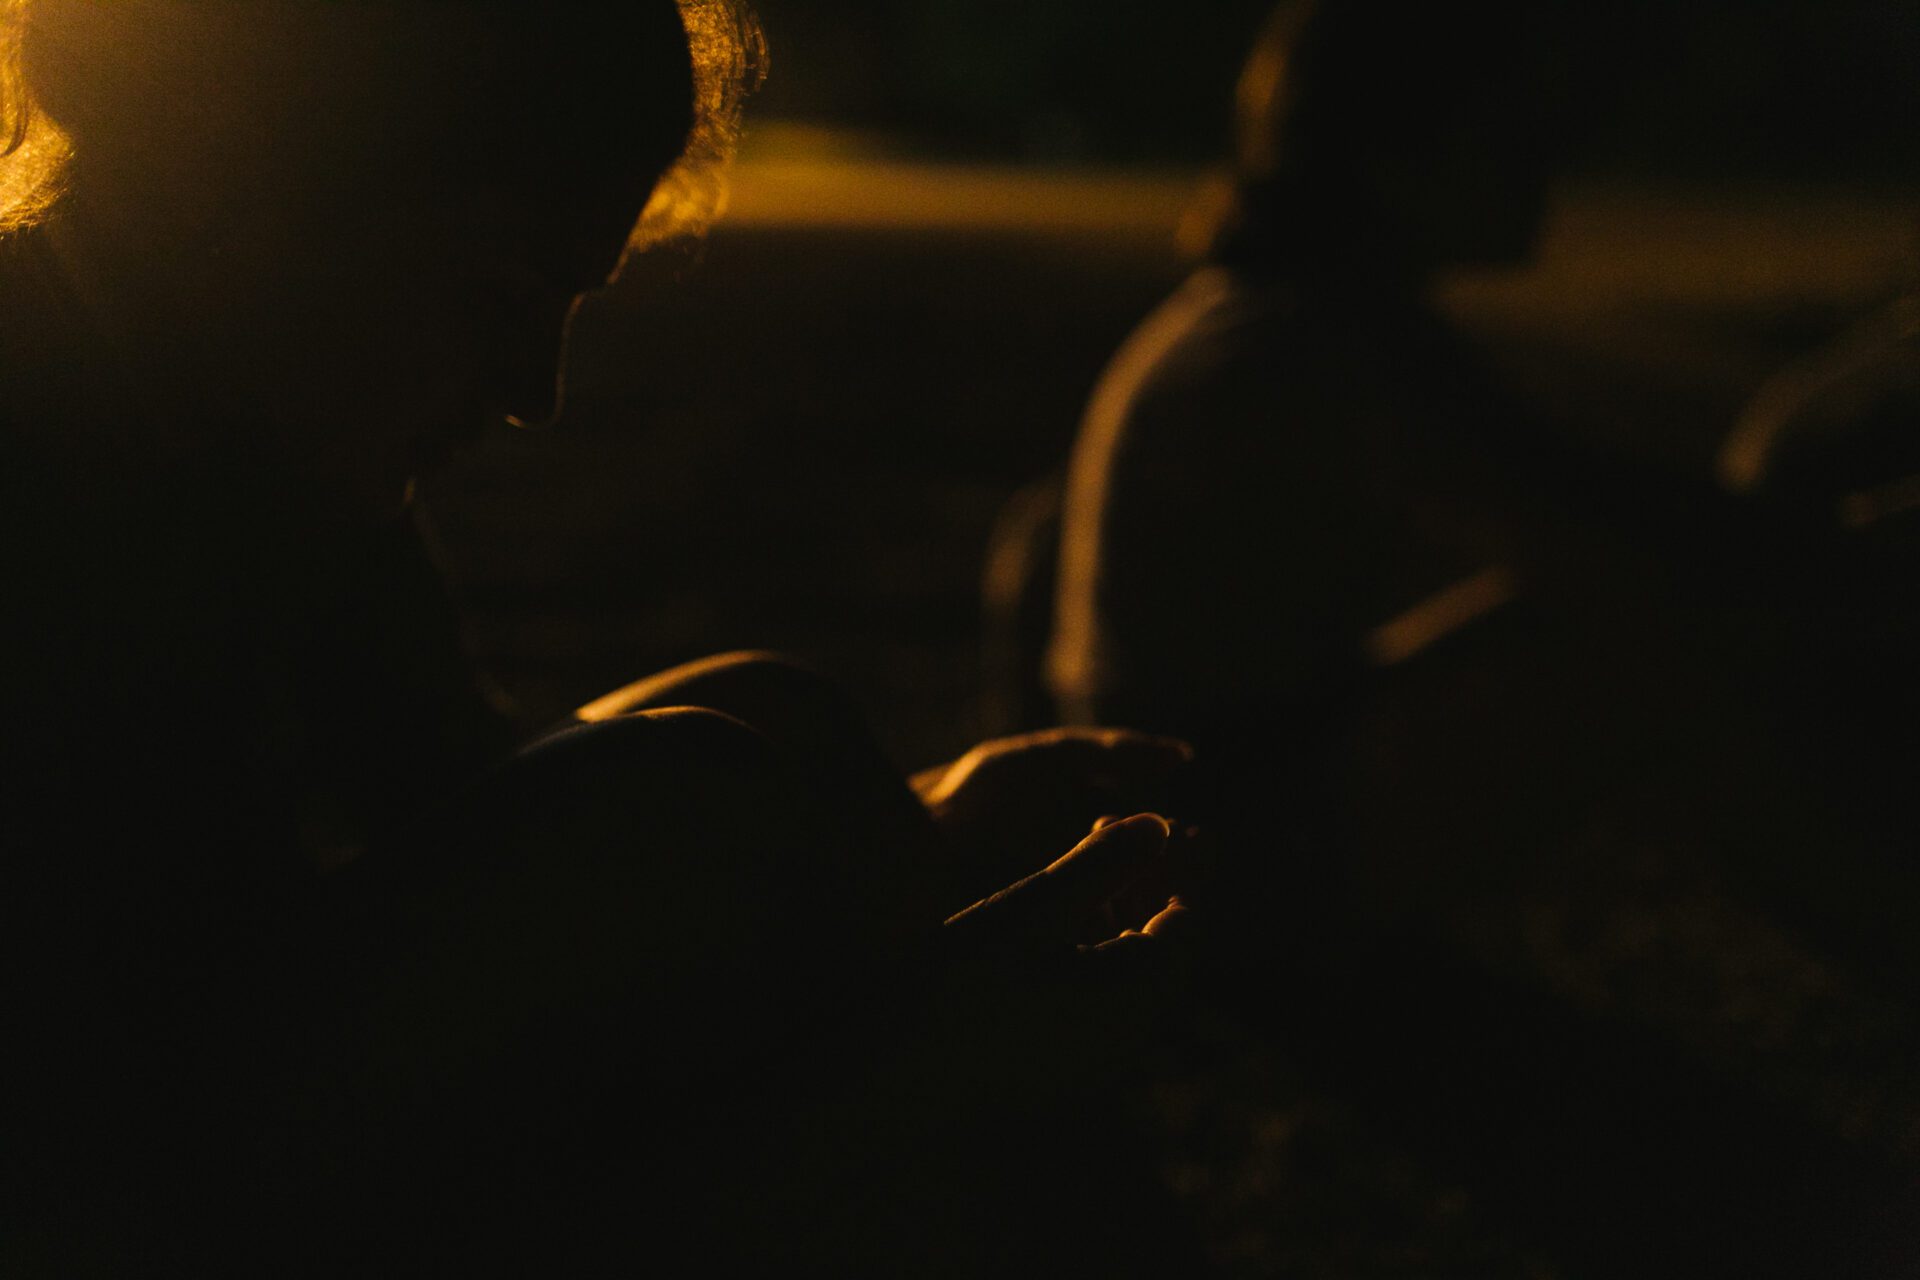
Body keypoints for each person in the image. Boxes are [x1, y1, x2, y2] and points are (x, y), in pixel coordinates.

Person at [0, 3, 1198, 1270]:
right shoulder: (51, 487)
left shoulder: (270, 459)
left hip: (206, 1122)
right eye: (500, 292)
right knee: (693, 809)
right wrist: (891, 1071)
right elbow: (132, 1174)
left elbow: (457, 792)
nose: (534, 390)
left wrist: (926, 837)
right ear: (242, 190)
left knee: (773, 730)